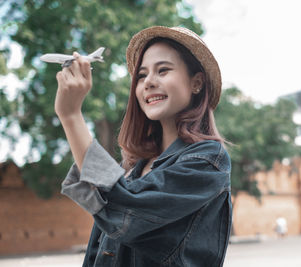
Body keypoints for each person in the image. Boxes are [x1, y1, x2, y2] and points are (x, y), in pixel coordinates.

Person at [55, 26, 232, 266]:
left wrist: (71, 116)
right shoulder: (130, 168)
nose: (148, 82)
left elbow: (124, 210)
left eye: (163, 70)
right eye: (141, 75)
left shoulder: (207, 162)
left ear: (197, 83)